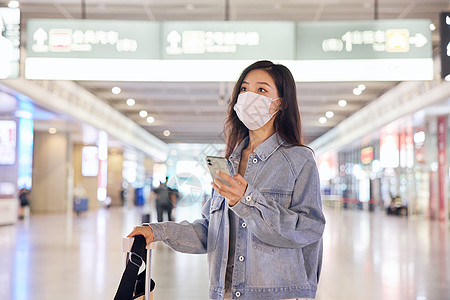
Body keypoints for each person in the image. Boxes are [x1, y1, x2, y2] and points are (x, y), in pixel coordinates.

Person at [128, 60, 326, 300]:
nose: (249, 96)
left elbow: (308, 229)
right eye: (244, 89)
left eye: (261, 90)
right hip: (227, 293)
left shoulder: (299, 159)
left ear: (281, 102)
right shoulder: (228, 163)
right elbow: (211, 233)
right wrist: (157, 231)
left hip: (278, 294)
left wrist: (247, 201)